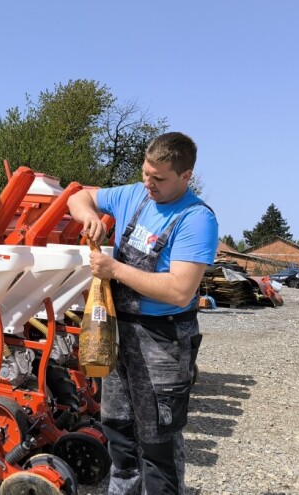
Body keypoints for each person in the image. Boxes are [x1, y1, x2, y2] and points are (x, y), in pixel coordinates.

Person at [67, 132, 218, 494]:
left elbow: (181, 288)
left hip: (162, 339)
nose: (149, 184)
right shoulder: (134, 193)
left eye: (159, 178)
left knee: (157, 440)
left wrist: (114, 269)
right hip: (122, 332)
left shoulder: (196, 219)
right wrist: (90, 217)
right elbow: (78, 196)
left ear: (186, 176)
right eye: (146, 173)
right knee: (118, 430)